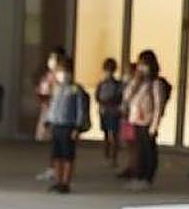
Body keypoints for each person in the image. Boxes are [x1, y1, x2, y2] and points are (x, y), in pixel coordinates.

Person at [45, 57, 88, 194]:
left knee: (68, 155)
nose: (61, 74)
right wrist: (48, 122)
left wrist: (77, 127)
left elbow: (80, 109)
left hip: (68, 126)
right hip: (56, 124)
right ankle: (58, 181)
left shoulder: (75, 89)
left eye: (63, 70)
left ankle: (65, 182)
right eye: (59, 70)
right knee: (56, 155)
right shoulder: (56, 88)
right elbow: (52, 106)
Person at [125, 50, 165, 191]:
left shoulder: (156, 83)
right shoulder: (138, 82)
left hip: (147, 121)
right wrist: (135, 80)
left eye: (144, 64)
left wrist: (154, 125)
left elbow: (158, 106)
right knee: (138, 150)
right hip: (136, 120)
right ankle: (138, 175)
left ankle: (147, 177)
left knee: (148, 150)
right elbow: (127, 97)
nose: (141, 67)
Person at [35, 47, 66, 180]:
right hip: (48, 108)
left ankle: (56, 168)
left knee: (56, 140)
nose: (51, 61)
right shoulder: (50, 74)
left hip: (56, 110)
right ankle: (54, 167)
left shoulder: (61, 76)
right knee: (53, 141)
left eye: (54, 58)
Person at [97, 57, 123, 167]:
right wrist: (102, 102)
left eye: (110, 69)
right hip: (104, 111)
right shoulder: (101, 83)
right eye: (107, 69)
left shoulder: (118, 84)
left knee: (114, 135)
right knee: (106, 134)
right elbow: (97, 96)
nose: (109, 72)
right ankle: (107, 155)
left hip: (114, 111)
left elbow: (120, 97)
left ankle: (114, 158)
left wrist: (110, 101)